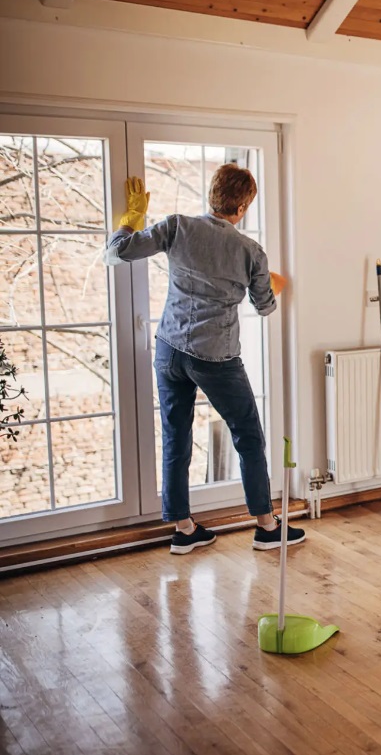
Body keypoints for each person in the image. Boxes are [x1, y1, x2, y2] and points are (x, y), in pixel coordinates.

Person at [105, 165, 305, 555]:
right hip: (216, 357)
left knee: (176, 434)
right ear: (244, 205)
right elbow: (264, 307)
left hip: (169, 349)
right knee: (247, 435)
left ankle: (184, 529)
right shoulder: (250, 250)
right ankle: (266, 527)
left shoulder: (177, 226)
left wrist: (130, 221)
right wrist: (269, 284)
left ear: (211, 193)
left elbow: (117, 254)